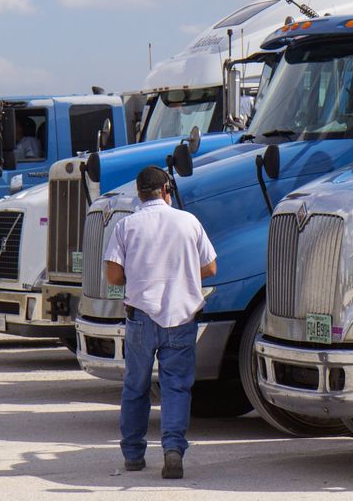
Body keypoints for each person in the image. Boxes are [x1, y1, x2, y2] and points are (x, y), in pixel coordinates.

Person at [103, 166, 216, 479]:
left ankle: (133, 455)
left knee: (135, 386)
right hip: (181, 317)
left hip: (141, 317)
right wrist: (182, 273)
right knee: (176, 386)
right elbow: (211, 267)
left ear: (139, 194)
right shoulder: (188, 221)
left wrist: (140, 276)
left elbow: (113, 275)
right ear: (166, 190)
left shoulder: (126, 226)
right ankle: (173, 450)